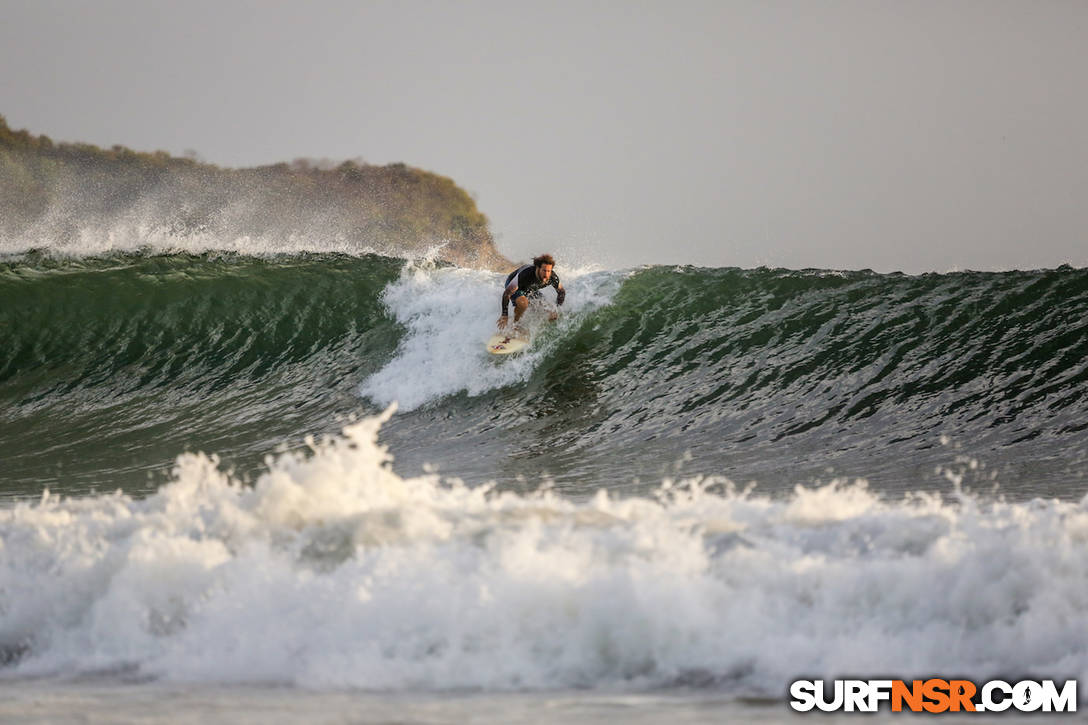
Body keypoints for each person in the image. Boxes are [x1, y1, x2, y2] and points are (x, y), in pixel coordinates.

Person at [497, 253, 566, 329]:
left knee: (551, 312)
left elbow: (561, 292)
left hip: (531, 290)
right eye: (544, 270)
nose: (546, 274)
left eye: (549, 271)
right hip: (517, 287)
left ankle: (536, 329)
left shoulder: (552, 278)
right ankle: (515, 325)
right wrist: (504, 314)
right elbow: (507, 293)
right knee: (523, 303)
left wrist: (557, 308)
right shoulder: (526, 274)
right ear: (538, 268)